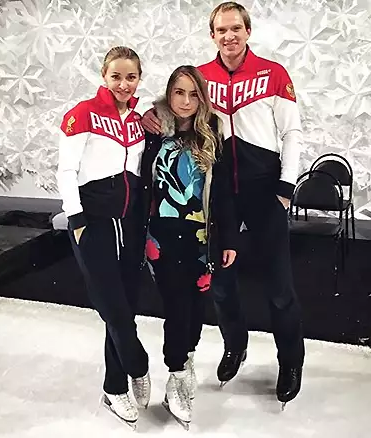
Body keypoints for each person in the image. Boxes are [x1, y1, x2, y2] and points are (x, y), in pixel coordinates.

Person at [141, 2, 305, 409]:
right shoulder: (202, 78)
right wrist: (149, 114)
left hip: (264, 190)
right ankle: (235, 345)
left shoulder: (273, 74)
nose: (229, 36)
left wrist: (285, 188)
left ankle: (291, 361)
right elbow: (173, 105)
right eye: (221, 30)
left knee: (278, 285)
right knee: (220, 281)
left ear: (247, 31)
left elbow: (292, 133)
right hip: (216, 197)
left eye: (236, 28)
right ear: (212, 35)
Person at [56, 46, 151, 429]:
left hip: (129, 223)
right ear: (103, 75)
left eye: (131, 77)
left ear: (138, 79)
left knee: (126, 302)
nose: (123, 84)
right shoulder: (83, 113)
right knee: (111, 304)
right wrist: (76, 218)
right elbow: (66, 169)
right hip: (92, 221)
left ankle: (114, 387)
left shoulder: (139, 120)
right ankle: (137, 363)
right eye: (116, 76)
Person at [140, 65, 238, 428]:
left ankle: (187, 356)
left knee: (196, 306)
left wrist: (229, 239)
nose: (185, 101)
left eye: (193, 94)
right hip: (162, 237)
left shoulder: (212, 133)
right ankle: (176, 375)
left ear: (202, 98)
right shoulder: (153, 131)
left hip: (200, 238)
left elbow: (224, 192)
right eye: (178, 93)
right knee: (177, 306)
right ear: (169, 95)